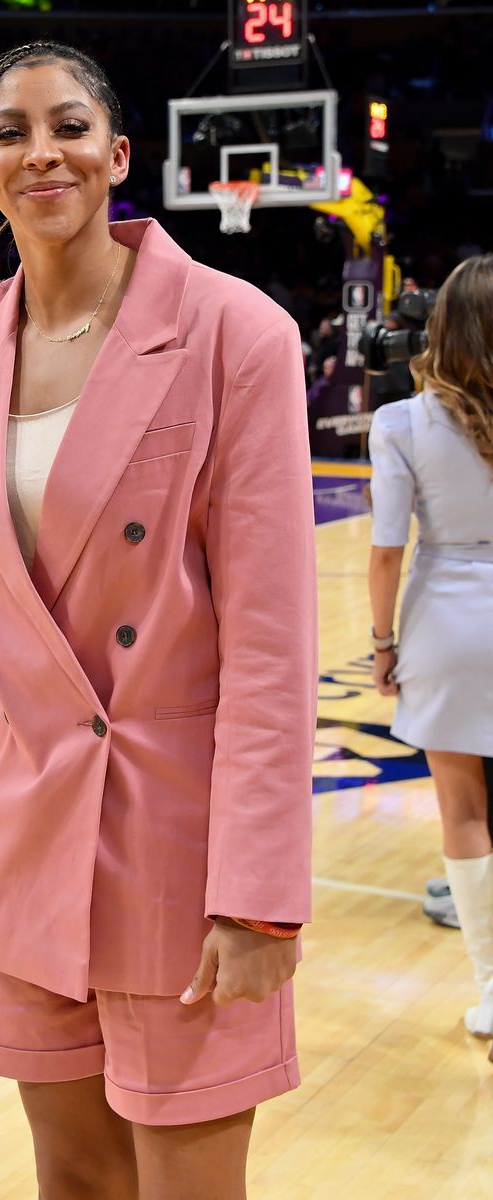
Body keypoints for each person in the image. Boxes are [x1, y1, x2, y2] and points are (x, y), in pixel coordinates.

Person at [0, 42, 317, 1200]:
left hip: (178, 849)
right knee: (74, 1184)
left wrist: (257, 895)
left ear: (115, 150)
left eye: (65, 125)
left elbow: (269, 645)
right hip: (26, 833)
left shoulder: (231, 331)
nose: (38, 150)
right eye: (9, 131)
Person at [368, 254, 493, 1041]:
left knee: (464, 812)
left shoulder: (404, 421)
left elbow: (386, 548)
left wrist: (381, 641)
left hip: (448, 622)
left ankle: (492, 985)